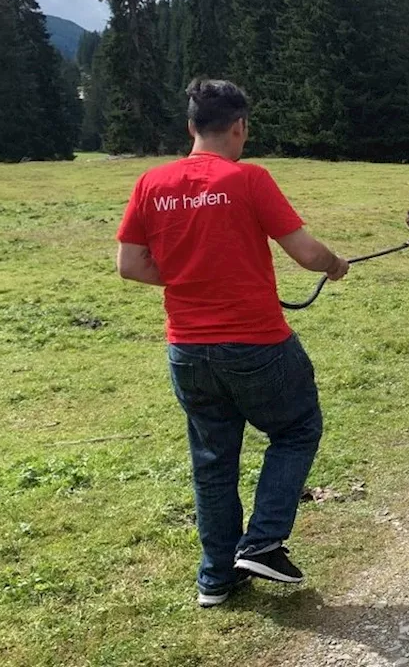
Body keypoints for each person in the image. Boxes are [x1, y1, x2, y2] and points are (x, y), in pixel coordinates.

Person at [115, 79, 351, 608]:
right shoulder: (248, 179)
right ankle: (264, 541)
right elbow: (308, 254)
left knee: (213, 460)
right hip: (256, 343)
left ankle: (216, 580)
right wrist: (335, 264)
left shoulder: (151, 183)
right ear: (240, 126)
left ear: (191, 126)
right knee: (297, 428)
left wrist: (187, 276)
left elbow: (130, 265)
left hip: (187, 351)